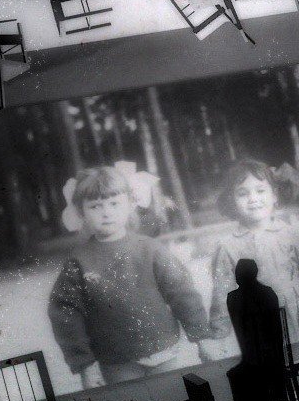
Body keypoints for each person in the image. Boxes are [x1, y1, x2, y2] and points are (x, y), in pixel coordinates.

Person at [48, 165, 229, 388]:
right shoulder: (79, 261)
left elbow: (182, 293)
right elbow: (65, 314)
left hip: (165, 351)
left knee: (176, 399)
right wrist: (85, 364)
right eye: (95, 206)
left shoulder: (150, 249)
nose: (106, 212)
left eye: (114, 203)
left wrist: (202, 337)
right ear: (81, 212)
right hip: (116, 361)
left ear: (130, 204)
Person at [203, 160, 299, 359]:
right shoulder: (227, 247)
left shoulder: (292, 235)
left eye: (260, 191)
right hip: (258, 323)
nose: (253, 199)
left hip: (298, 316)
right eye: (243, 193)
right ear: (232, 201)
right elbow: (222, 296)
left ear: (274, 195)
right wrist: (218, 336)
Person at [225, 258, 287, 401]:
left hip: (262, 358)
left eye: (238, 273)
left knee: (245, 375)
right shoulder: (267, 294)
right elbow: (274, 332)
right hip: (269, 356)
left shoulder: (234, 298)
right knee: (246, 373)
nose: (236, 276)